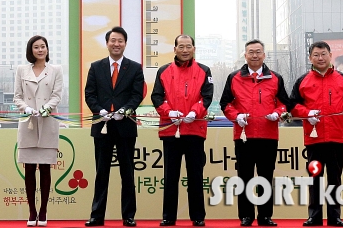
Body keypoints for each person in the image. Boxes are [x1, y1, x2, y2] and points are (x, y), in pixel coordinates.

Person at [219, 39, 290, 227]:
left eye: (258, 52)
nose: (255, 55)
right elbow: (225, 104)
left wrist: (277, 113)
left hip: (268, 135)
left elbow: (285, 104)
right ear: (245, 55)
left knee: (266, 175)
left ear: (264, 55)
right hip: (244, 135)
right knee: (245, 176)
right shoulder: (234, 77)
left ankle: (265, 216)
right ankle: (246, 215)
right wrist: (236, 116)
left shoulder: (275, 78)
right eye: (251, 52)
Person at [290, 41, 343, 228]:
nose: (320, 58)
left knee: (335, 179)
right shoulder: (302, 81)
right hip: (314, 139)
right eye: (316, 55)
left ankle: (334, 217)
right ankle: (314, 216)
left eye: (323, 54)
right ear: (310, 58)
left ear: (330, 55)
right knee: (315, 178)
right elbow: (292, 106)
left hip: (336, 137)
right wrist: (307, 114)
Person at [84, 26, 145, 227]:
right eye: (113, 40)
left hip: (125, 126)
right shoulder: (96, 67)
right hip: (102, 126)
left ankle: (128, 215)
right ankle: (96, 215)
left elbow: (137, 95)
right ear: (107, 43)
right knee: (102, 172)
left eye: (120, 41)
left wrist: (125, 111)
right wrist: (100, 110)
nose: (116, 44)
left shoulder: (135, 68)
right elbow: (90, 94)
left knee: (127, 172)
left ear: (125, 44)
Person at [151, 34, 213, 227]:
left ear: (194, 48)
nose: (185, 50)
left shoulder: (204, 70)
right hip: (171, 131)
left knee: (195, 175)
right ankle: (169, 216)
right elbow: (156, 97)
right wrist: (169, 112)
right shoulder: (163, 71)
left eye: (188, 46)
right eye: (181, 46)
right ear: (175, 49)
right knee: (170, 176)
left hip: (195, 130)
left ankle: (198, 216)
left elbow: (207, 96)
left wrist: (195, 112)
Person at [13, 35, 63, 227]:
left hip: (48, 121)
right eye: (36, 47)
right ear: (30, 50)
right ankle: (31, 211)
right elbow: (17, 97)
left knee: (45, 168)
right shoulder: (21, 70)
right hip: (28, 122)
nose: (40, 50)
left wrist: (46, 108)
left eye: (43, 47)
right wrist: (25, 108)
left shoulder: (55, 70)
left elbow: (57, 95)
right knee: (29, 169)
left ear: (47, 49)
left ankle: (43, 211)